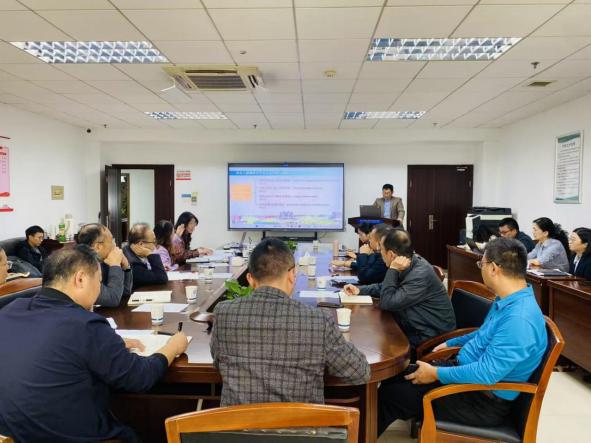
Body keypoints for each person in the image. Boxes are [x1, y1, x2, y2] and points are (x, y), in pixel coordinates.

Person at [0, 246, 188, 443]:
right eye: (99, 281)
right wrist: (172, 347)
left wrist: (106, 344)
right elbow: (140, 377)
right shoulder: (84, 324)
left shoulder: (9, 311)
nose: (99, 290)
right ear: (80, 279)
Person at [377, 238, 547, 436]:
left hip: (482, 401)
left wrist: (436, 373)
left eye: (481, 264)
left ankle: (360, 433)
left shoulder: (519, 319)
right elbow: (484, 333)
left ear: (493, 268)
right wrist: (451, 342)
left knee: (392, 395)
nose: (480, 268)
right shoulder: (508, 299)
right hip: (467, 378)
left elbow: (486, 374)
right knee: (393, 376)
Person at [210, 238, 370, 406]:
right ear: (293, 274)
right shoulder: (318, 320)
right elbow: (360, 372)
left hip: (237, 422)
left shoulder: (223, 313)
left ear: (250, 279)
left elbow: (218, 362)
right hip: (300, 423)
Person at [344, 229, 455, 350]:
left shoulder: (419, 274)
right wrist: (359, 290)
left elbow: (387, 302)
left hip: (430, 338)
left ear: (391, 254)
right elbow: (385, 287)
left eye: (381, 250)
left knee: (369, 343)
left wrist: (393, 270)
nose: (380, 254)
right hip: (414, 325)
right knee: (370, 334)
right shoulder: (407, 262)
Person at [76, 223, 133, 306]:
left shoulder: (103, 262)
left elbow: (124, 292)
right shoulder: (83, 267)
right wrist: (115, 265)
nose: (115, 245)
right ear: (98, 247)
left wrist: (126, 267)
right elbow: (112, 299)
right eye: (112, 240)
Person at [123, 223, 168, 291]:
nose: (155, 246)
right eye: (153, 242)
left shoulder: (127, 250)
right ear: (141, 244)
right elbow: (162, 278)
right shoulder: (133, 264)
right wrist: (149, 253)